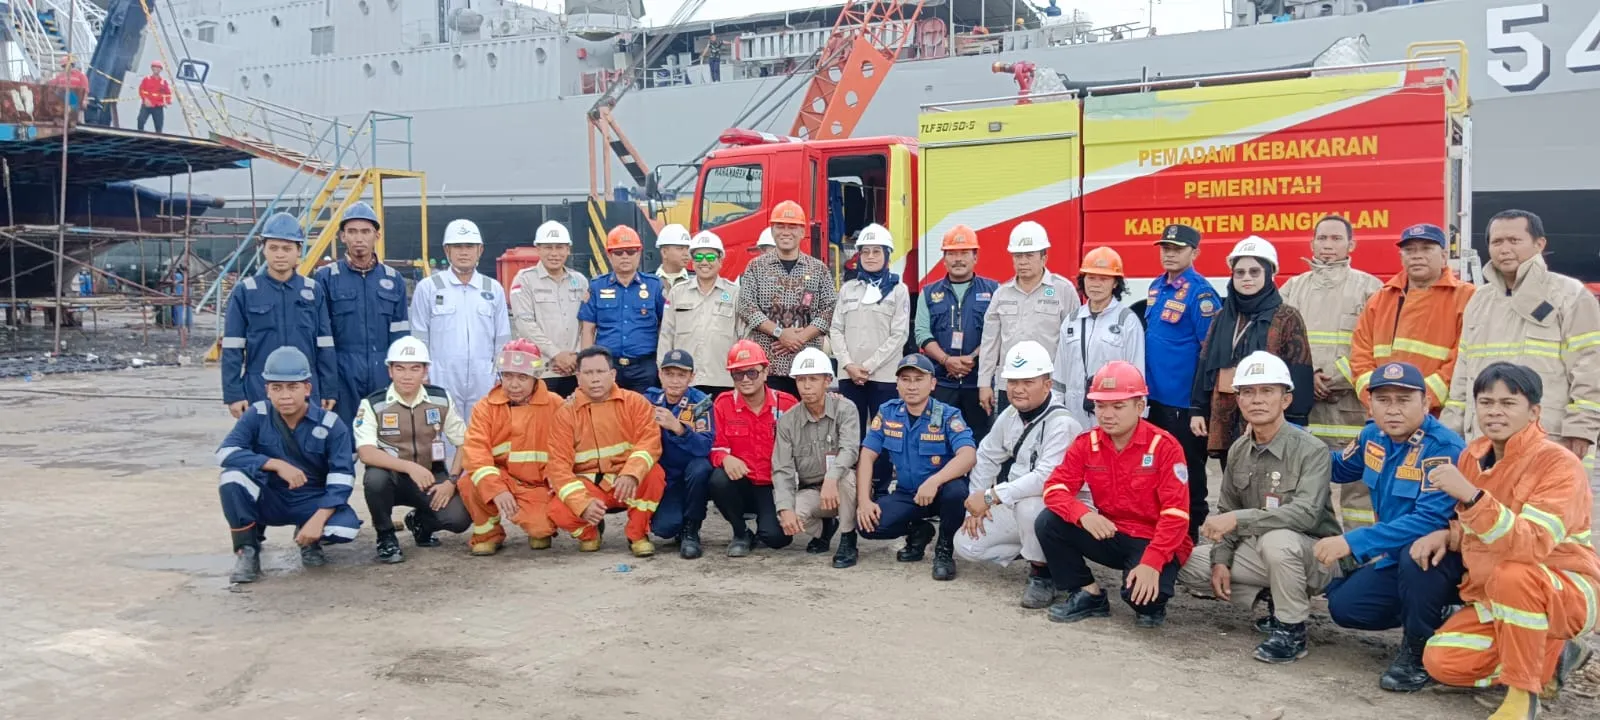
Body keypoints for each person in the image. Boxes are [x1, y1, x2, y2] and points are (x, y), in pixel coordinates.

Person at [1420, 362, 1600, 720]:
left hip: (1565, 589)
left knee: (1514, 573)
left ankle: (1523, 694)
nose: (1494, 412)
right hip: (1497, 597)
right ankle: (1555, 655)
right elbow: (1482, 531)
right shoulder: (1474, 456)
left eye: (1507, 403)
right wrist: (1451, 534)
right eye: (1486, 403)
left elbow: (1531, 544)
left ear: (1534, 412)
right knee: (1442, 661)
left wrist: (1471, 497)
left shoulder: (1558, 464)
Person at [1178, 351, 1342, 663]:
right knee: (1187, 561)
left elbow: (1305, 514)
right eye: (1248, 392)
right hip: (1264, 551)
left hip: (1316, 554)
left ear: (1286, 399)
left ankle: (1290, 629)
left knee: (1276, 540)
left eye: (1268, 391)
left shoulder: (1312, 450)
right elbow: (1227, 507)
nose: (1257, 400)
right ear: (1238, 400)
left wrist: (1238, 520)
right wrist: (1221, 561)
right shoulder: (1239, 449)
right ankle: (1272, 596)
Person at [1320, 361, 1468, 692]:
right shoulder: (1372, 436)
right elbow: (1339, 468)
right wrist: (1289, 435)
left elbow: (1428, 520)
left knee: (1416, 556)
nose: (1393, 410)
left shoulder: (1443, 448)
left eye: (1404, 400)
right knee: (1345, 607)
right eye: (1384, 400)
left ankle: (1418, 653)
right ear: (1370, 404)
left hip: (1440, 557)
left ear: (1425, 403)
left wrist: (1353, 541)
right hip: (1395, 557)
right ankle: (1441, 614)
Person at [1035, 360, 1192, 628]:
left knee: (1143, 601)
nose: (1107, 414)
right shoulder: (1088, 443)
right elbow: (1054, 488)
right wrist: (1083, 515)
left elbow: (1176, 515)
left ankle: (1150, 598)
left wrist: (1152, 562)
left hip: (1153, 539)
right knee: (1048, 522)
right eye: (1100, 405)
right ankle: (1087, 593)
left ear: (1140, 406)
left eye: (1118, 406)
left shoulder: (1164, 446)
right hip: (1111, 531)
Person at [1443, 210, 1600, 470]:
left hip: (1549, 439)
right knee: (1487, 510)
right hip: (1484, 441)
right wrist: (1451, 430)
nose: (1504, 249)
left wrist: (1582, 426)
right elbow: (1463, 374)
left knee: (1545, 511)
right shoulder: (1479, 300)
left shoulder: (1569, 294)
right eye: (1497, 242)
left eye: (1514, 241)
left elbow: (1591, 365)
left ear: (1539, 244)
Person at [1342, 222, 1474, 530]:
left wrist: (1420, 405)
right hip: (1386, 421)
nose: (1417, 257)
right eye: (1410, 251)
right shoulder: (1382, 298)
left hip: (1438, 422)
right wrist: (1377, 403)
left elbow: (1463, 358)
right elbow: (1359, 355)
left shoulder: (1466, 298)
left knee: (1433, 503)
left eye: (1426, 249)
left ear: (1444, 255)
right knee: (1383, 492)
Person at [216, 347, 361, 583]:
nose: (285, 396)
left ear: (307, 388)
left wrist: (320, 517)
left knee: (344, 530)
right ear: (267, 390)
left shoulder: (331, 424)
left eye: (292, 387)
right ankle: (248, 551)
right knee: (231, 478)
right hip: (270, 498)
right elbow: (225, 453)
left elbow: (342, 478)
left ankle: (309, 540)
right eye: (277, 387)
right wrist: (273, 464)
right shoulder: (257, 414)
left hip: (311, 500)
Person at [957, 340, 1080, 608]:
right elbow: (987, 455)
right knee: (966, 544)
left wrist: (990, 497)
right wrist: (975, 506)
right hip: (1012, 499)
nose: (1018, 389)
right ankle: (1040, 549)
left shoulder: (1063, 424)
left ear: (1047, 384)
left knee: (1031, 506)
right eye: (1013, 382)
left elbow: (1045, 479)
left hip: (1055, 507)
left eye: (1028, 382)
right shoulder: (1011, 415)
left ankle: (1042, 573)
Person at [1192, 236, 1314, 477]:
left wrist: (1295, 421)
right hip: (1227, 416)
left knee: (1270, 485)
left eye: (1254, 272)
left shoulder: (1286, 316)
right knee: (1235, 481)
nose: (1246, 278)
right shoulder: (1222, 317)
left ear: (1269, 274)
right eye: (1240, 272)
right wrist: (1197, 409)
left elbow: (1300, 368)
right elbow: (1205, 365)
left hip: (1271, 418)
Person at [456, 340, 591, 555]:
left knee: (540, 529)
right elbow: (475, 453)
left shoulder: (555, 404)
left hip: (537, 485)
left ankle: (540, 525)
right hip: (501, 478)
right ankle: (488, 533)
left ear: (536, 377)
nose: (513, 384)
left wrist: (554, 481)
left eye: (522, 377)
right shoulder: (485, 407)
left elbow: (569, 448)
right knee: (470, 482)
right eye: (508, 376)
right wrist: (497, 489)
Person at [857, 354, 978, 581]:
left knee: (957, 492)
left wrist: (935, 481)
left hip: (941, 492)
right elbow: (866, 455)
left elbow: (968, 455)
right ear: (897, 384)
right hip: (908, 494)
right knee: (867, 525)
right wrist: (864, 501)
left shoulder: (948, 415)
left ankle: (944, 550)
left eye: (918, 379)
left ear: (932, 384)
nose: (912, 386)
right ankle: (919, 531)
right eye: (906, 379)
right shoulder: (888, 412)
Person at [354, 337, 470, 563]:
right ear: (390, 371)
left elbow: (465, 443)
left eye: (415, 368)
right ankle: (385, 535)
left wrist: (451, 481)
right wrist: (409, 467)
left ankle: (421, 524)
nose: (407, 375)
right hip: (391, 477)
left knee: (459, 519)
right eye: (400, 368)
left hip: (431, 476)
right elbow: (366, 452)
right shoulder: (372, 404)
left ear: (425, 371)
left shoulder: (440, 399)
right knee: (374, 479)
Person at [546, 346, 668, 557]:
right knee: (556, 510)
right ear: (578, 377)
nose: (595, 379)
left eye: (600, 372)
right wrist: (581, 504)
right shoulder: (565, 413)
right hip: (589, 487)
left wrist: (632, 473)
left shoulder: (635, 402)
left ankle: (637, 534)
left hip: (626, 482)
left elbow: (650, 443)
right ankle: (590, 533)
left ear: (612, 374)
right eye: (588, 373)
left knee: (654, 474)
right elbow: (558, 467)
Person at [1143, 223, 1219, 540]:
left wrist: (1199, 405)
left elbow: (1210, 353)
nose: (1170, 253)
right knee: (1156, 468)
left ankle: (1191, 534)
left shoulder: (1202, 294)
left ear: (1195, 252)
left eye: (1178, 248)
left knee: (1188, 472)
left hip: (1183, 405)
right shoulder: (1156, 287)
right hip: (1155, 400)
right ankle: (1163, 528)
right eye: (1166, 248)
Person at [1280, 215, 1382, 448]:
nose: (1328, 244)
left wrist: (1336, 379)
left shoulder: (1371, 288)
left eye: (1336, 238)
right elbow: (1278, 344)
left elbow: (1379, 346)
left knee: (1356, 478)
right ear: (1312, 244)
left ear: (1351, 245)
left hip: (1351, 405)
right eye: (1322, 238)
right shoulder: (1292, 288)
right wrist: (1308, 378)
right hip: (1304, 404)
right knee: (1308, 477)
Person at [221, 212, 336, 416]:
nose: (280, 254)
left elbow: (324, 345)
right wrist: (234, 394)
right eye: (273, 248)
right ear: (263, 250)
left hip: (306, 388)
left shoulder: (313, 291)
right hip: (259, 388)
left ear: (298, 250)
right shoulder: (246, 292)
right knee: (262, 444)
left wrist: (329, 389)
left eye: (287, 248)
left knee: (307, 445)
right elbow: (232, 347)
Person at [313, 201, 409, 417]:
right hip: (341, 372)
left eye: (366, 231)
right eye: (352, 231)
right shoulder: (326, 278)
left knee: (385, 437)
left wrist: (400, 375)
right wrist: (326, 383)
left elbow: (401, 335)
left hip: (382, 372)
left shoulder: (394, 280)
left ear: (377, 236)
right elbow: (321, 336)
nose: (359, 238)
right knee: (342, 438)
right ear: (342, 236)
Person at [409, 218, 510, 422]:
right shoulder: (429, 288)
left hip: (484, 376)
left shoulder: (493, 289)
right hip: (441, 375)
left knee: (482, 431)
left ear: (480, 250)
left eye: (469, 246)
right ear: (447, 250)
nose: (464, 252)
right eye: (457, 246)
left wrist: (502, 374)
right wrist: (422, 373)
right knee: (442, 434)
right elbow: (419, 336)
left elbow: (502, 338)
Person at [707, 340, 800, 556]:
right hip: (742, 482)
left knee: (777, 539)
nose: (745, 379)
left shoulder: (787, 404)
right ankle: (740, 532)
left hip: (773, 485)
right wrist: (725, 459)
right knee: (717, 480)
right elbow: (714, 447)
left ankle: (764, 528)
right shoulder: (722, 404)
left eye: (752, 372)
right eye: (738, 374)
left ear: (766, 372)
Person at [772, 347, 861, 567]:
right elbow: (782, 468)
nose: (806, 385)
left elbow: (850, 449)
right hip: (813, 490)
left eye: (813, 378)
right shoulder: (787, 421)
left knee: (846, 479)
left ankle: (848, 538)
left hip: (844, 486)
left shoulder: (845, 409)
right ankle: (824, 529)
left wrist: (832, 478)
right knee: (789, 515)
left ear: (827, 380)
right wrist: (784, 509)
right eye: (801, 379)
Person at [737, 201, 835, 397]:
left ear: (802, 231)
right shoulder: (756, 267)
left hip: (808, 366)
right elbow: (746, 307)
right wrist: (780, 333)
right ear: (772, 230)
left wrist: (800, 337)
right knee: (772, 421)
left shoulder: (818, 269)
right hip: (767, 367)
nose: (785, 232)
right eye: (780, 226)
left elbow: (829, 308)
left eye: (792, 227)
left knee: (809, 421)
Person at [978, 221, 1077, 414]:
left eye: (1029, 255)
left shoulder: (1063, 290)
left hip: (1049, 385)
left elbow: (1073, 344)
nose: (1023, 262)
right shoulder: (1002, 294)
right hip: (1010, 386)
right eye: (1018, 256)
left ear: (1044, 258)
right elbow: (990, 342)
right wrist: (984, 383)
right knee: (1011, 439)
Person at [916, 224, 998, 442]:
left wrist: (972, 358)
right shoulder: (928, 292)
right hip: (942, 384)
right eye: (952, 253)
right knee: (937, 438)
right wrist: (946, 360)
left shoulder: (993, 290)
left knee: (980, 440)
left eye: (964, 253)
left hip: (979, 384)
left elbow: (998, 333)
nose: (958, 259)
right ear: (944, 258)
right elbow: (922, 333)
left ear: (975, 257)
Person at [831, 223, 911, 434]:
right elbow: (836, 329)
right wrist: (849, 365)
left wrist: (867, 367)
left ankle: (880, 470)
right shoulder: (848, 289)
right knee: (851, 435)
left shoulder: (899, 291)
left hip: (883, 377)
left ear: (887, 255)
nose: (870, 257)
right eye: (865, 252)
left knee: (884, 435)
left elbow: (899, 335)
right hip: (850, 376)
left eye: (877, 251)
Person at [1053, 246, 1145, 430]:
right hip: (1073, 411)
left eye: (1103, 279)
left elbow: (1137, 372)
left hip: (1112, 411)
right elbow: (1059, 374)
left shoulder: (1127, 321)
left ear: (1115, 283)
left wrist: (1136, 416)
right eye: (1091, 278)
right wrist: (1056, 412)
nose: (1095, 284)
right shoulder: (1071, 321)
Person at [643, 350, 714, 559]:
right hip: (666, 480)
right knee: (664, 529)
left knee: (701, 467)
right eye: (669, 374)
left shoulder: (700, 402)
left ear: (692, 377)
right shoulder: (649, 398)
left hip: (691, 476)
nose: (674, 381)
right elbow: (618, 403)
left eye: (681, 375)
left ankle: (691, 530)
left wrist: (679, 428)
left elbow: (704, 447)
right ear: (660, 375)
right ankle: (675, 521)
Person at [580, 225, 664, 394]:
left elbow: (665, 327)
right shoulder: (596, 287)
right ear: (609, 255)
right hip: (608, 367)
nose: (625, 256)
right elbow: (588, 330)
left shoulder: (655, 286)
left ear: (639, 254)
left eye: (631, 251)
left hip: (645, 367)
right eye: (618, 252)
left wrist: (662, 363)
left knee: (645, 415)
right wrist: (587, 366)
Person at [509, 220, 588, 397]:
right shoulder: (525, 280)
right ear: (538, 249)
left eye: (559, 247)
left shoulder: (580, 281)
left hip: (575, 370)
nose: (554, 253)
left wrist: (576, 357)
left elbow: (586, 325)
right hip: (542, 370)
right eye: (548, 247)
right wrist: (556, 355)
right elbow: (525, 325)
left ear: (568, 249)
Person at [658, 230, 740, 397]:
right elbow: (666, 336)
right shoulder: (677, 293)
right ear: (692, 262)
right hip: (685, 381)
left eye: (710, 258)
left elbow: (743, 337)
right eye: (698, 257)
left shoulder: (735, 293)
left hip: (723, 380)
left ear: (720, 261)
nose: (704, 262)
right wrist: (664, 375)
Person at [654, 224, 693, 295]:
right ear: (664, 252)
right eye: (680, 248)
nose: (686, 253)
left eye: (688, 248)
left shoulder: (696, 282)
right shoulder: (649, 283)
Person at [136, 60, 172, 133]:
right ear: (152, 68)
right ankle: (140, 134)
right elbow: (141, 90)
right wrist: (145, 99)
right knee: (140, 120)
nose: (156, 69)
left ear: (160, 70)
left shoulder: (163, 81)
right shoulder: (147, 79)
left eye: (158, 67)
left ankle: (158, 139)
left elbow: (168, 94)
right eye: (154, 67)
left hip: (158, 106)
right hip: (147, 105)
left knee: (159, 126)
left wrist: (167, 101)